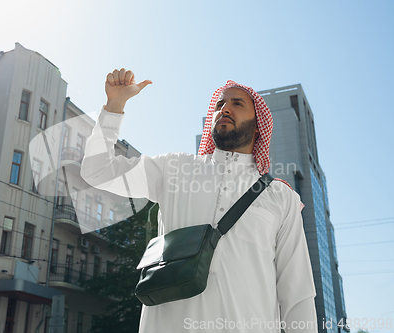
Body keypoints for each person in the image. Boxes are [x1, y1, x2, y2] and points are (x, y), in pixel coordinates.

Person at [81, 68, 318, 332]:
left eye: (237, 103)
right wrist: (114, 106)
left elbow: (297, 293)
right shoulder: (174, 169)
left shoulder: (280, 197)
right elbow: (97, 170)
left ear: (259, 125)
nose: (225, 108)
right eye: (220, 104)